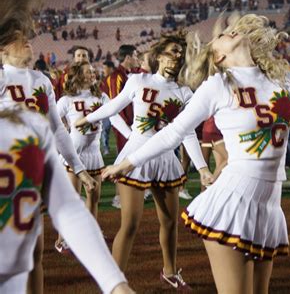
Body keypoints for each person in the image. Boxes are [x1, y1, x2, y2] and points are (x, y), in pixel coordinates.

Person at [100, 14, 290, 293]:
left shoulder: (286, 79)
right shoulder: (217, 86)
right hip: (231, 202)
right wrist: (128, 162)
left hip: (269, 206)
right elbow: (174, 132)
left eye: (229, 31)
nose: (228, 34)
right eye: (221, 36)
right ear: (218, 57)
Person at [0, 0, 130, 293]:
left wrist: (82, 171)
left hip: (23, 177)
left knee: (33, 254)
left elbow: (58, 130)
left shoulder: (41, 82)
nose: (29, 42)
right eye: (20, 39)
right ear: (3, 48)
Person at [76, 31, 209, 291]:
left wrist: (202, 168)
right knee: (130, 224)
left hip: (165, 160)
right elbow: (114, 106)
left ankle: (170, 272)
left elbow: (188, 133)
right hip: (134, 154)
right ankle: (113, 283)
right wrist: (88, 118)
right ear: (158, 56)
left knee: (170, 222)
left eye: (179, 54)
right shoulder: (138, 80)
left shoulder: (185, 92)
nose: (175, 58)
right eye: (171, 52)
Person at [54, 61, 131, 252]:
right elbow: (52, 122)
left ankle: (90, 233)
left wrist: (130, 136)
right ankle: (63, 237)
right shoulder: (66, 100)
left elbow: (114, 117)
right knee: (72, 199)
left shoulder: (101, 97)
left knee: (93, 197)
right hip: (74, 154)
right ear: (78, 75)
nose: (93, 74)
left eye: (93, 71)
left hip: (94, 154)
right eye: (88, 72)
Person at [101, 45, 140, 208]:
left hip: (134, 125)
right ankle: (118, 196)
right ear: (128, 57)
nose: (137, 59)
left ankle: (132, 192)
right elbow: (115, 105)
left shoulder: (130, 75)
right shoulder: (116, 77)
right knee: (123, 159)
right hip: (126, 126)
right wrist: (127, 128)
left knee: (134, 159)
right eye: (135, 55)